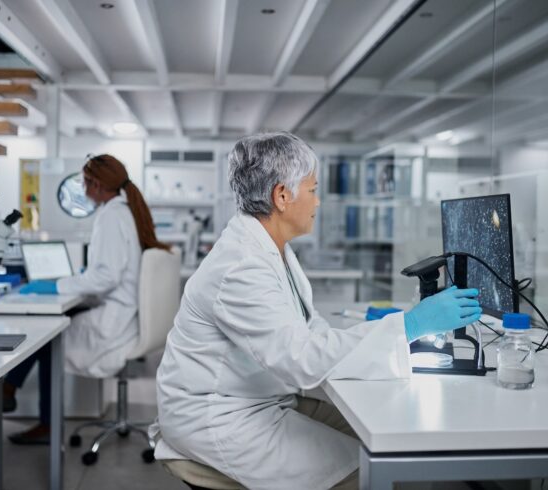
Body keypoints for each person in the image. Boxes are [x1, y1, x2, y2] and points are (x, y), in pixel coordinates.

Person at [151, 132, 481, 489]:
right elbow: (301, 358)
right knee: (369, 468)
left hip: (259, 393)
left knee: (379, 432)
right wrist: (409, 326)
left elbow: (308, 329)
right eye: (312, 190)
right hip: (219, 416)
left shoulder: (269, 247)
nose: (318, 202)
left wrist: (388, 329)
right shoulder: (241, 266)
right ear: (282, 196)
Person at [5, 154, 169, 445]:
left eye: (83, 182)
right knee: (53, 328)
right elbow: (110, 272)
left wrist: (58, 285)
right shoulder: (124, 211)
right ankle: (16, 395)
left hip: (115, 324)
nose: (81, 189)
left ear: (96, 184)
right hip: (123, 315)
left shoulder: (111, 215)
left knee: (46, 337)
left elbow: (107, 277)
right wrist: (83, 276)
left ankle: (37, 416)